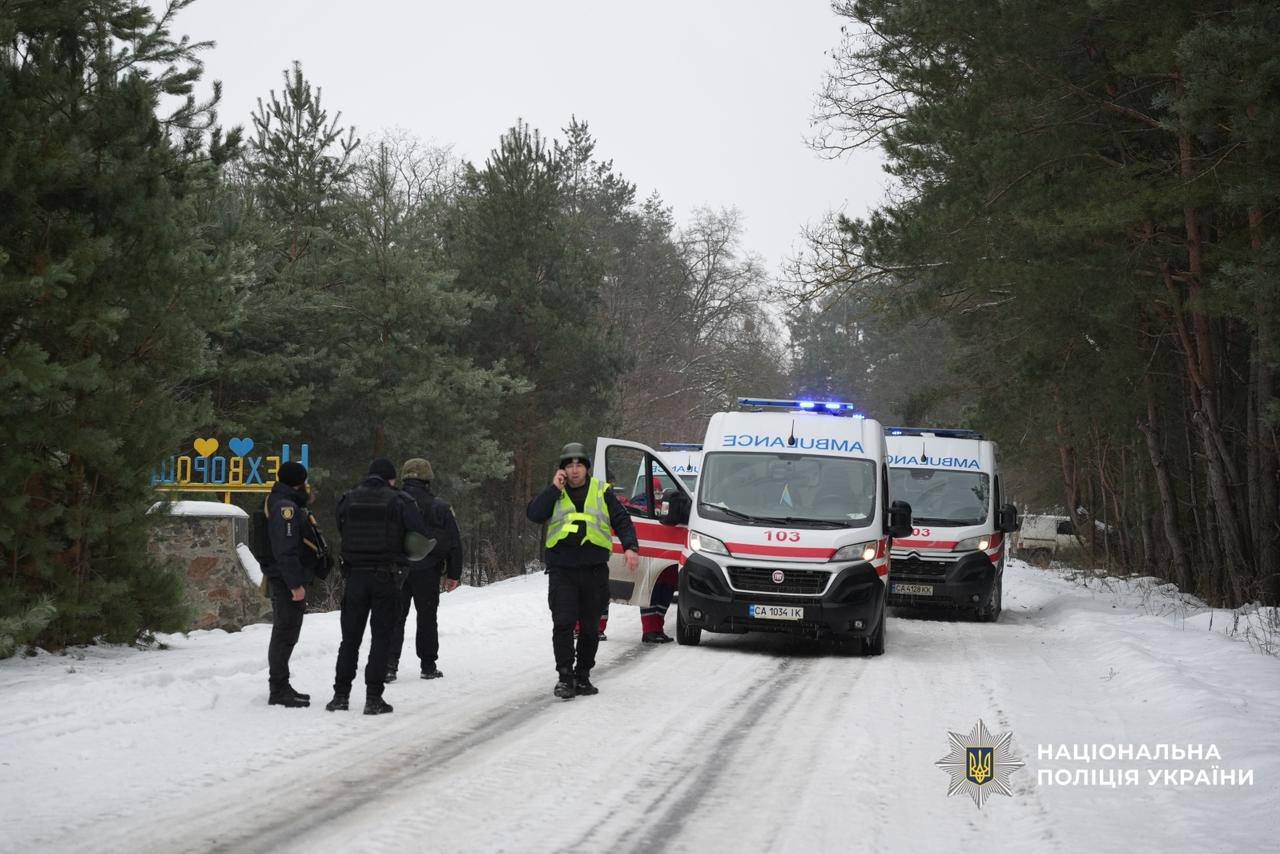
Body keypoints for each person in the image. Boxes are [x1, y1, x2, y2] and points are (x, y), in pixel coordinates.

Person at [527, 442, 639, 700]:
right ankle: (565, 678)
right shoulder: (555, 492)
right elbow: (534, 514)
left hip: (594, 570)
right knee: (563, 624)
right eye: (569, 465)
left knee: (590, 628)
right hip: (562, 570)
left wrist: (630, 547)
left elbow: (622, 519)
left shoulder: (602, 491)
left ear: (586, 468)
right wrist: (554, 488)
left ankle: (583, 676)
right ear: (562, 469)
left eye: (579, 465)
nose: (575, 470)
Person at [325, 457, 434, 716]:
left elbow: (342, 528)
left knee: (349, 640)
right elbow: (419, 535)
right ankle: (373, 698)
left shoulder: (348, 498)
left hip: (354, 577)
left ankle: (340, 696)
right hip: (386, 576)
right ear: (392, 479)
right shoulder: (400, 501)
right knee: (381, 637)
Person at [262, 461, 331, 707]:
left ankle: (281, 685)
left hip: (284, 577)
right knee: (285, 633)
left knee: (286, 631)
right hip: (286, 580)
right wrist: (295, 584)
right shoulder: (285, 508)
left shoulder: (281, 501)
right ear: (299, 483)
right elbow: (285, 550)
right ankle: (278, 688)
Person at [387, 458, 463, 682]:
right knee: (427, 617)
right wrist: (453, 574)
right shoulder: (440, 507)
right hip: (428, 571)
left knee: (395, 617)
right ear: (428, 478)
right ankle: (428, 665)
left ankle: (389, 665)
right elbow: (454, 542)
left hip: (397, 570)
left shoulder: (392, 503)